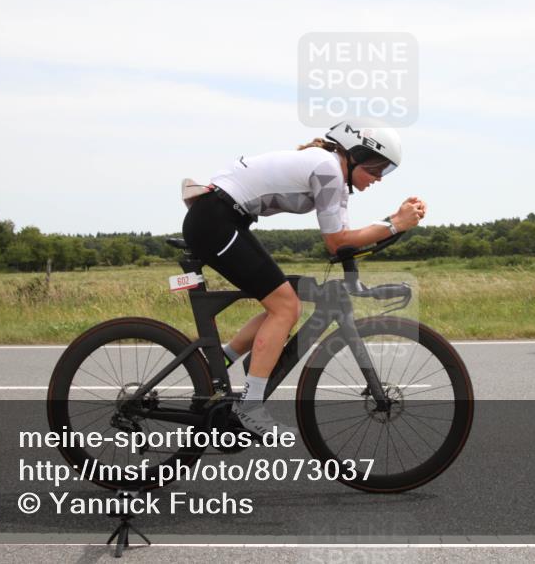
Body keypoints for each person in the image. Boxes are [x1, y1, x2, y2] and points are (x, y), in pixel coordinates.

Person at [181, 121, 426, 436]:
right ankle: (250, 407)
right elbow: (337, 242)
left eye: (386, 172)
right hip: (215, 220)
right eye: (377, 168)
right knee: (286, 307)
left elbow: (344, 243)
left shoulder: (332, 174)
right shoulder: (328, 171)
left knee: (285, 302)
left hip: (220, 218)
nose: (379, 178)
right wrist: (395, 224)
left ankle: (217, 363)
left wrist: (356, 281)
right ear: (355, 155)